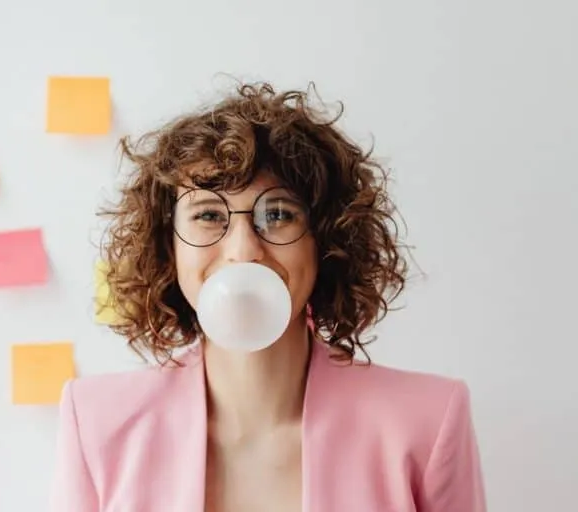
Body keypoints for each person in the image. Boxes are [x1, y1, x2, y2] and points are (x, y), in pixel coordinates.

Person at [49, 82, 486, 511]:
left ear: (326, 240)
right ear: (169, 246)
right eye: (208, 214)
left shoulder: (428, 422)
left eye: (277, 214)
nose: (243, 251)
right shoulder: (95, 424)